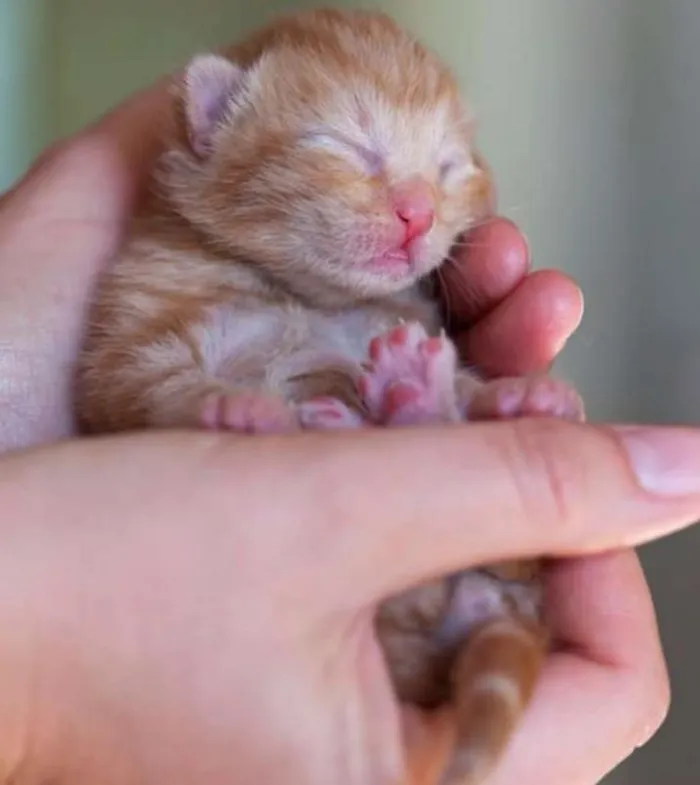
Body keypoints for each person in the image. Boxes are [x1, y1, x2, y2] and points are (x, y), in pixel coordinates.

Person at [0, 75, 698, 785]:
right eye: (345, 148)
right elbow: (121, 380)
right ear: (212, 123)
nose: (419, 210)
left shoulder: (400, 314)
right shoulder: (164, 267)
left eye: (450, 169)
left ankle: (477, 578)